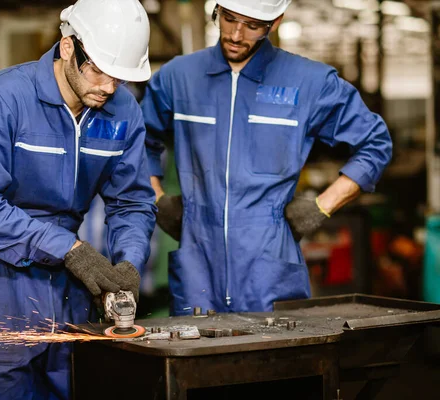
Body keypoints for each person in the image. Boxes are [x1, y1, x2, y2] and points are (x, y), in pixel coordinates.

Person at [0, 0, 156, 398]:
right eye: (98, 69)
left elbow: (131, 200)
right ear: (68, 46)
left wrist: (129, 261)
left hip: (72, 289)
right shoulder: (2, 99)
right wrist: (68, 247)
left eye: (119, 76)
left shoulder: (122, 111)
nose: (108, 87)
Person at [142, 0, 392, 315]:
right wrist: (158, 199)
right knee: (196, 358)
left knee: (273, 361)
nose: (235, 34)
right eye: (228, 18)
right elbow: (139, 141)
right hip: (197, 264)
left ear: (275, 21)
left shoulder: (308, 82)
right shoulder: (179, 77)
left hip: (269, 266)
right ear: (216, 10)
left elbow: (375, 142)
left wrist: (321, 207)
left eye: (252, 25)